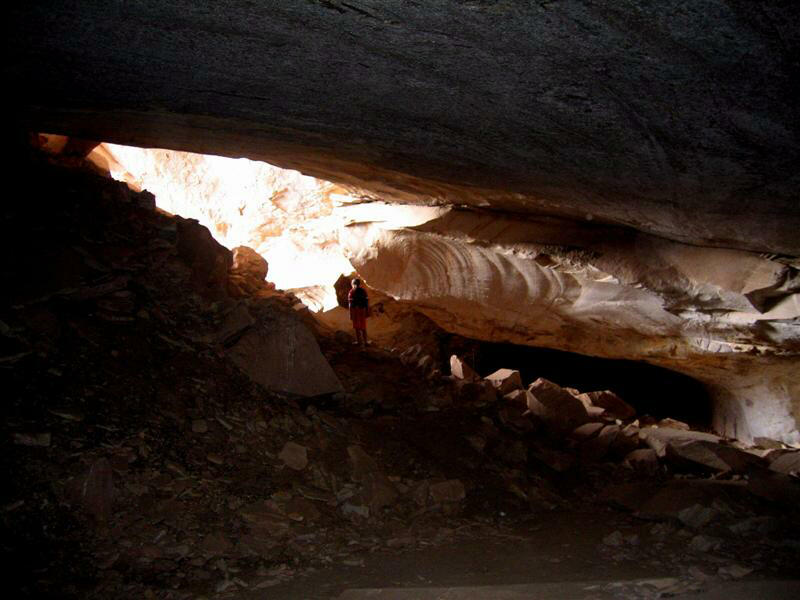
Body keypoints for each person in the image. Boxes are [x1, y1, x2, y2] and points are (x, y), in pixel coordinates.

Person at [347, 278, 369, 348]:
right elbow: (366, 302)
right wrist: (367, 311)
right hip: (362, 310)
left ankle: (359, 342)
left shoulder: (351, 291)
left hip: (355, 311)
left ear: (353, 284)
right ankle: (365, 342)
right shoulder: (363, 291)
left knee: (357, 327)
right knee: (363, 326)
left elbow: (350, 303)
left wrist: (351, 314)